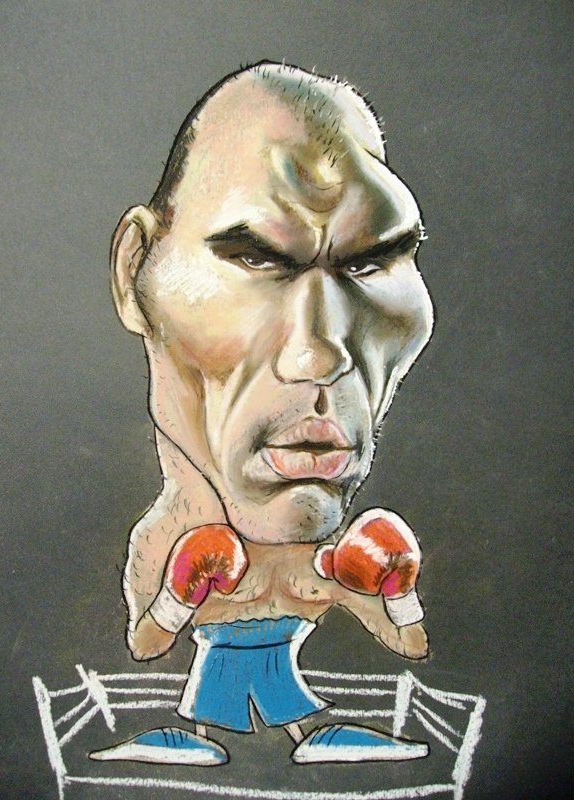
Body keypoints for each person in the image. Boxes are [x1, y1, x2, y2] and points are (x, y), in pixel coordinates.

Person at [90, 60, 434, 766]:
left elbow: (410, 643)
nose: (318, 355)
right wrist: (178, 597)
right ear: (135, 273)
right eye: (255, 258)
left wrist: (398, 597)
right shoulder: (160, 544)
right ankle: (199, 732)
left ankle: (300, 731)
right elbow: (147, 644)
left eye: (371, 262)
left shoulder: (335, 556)